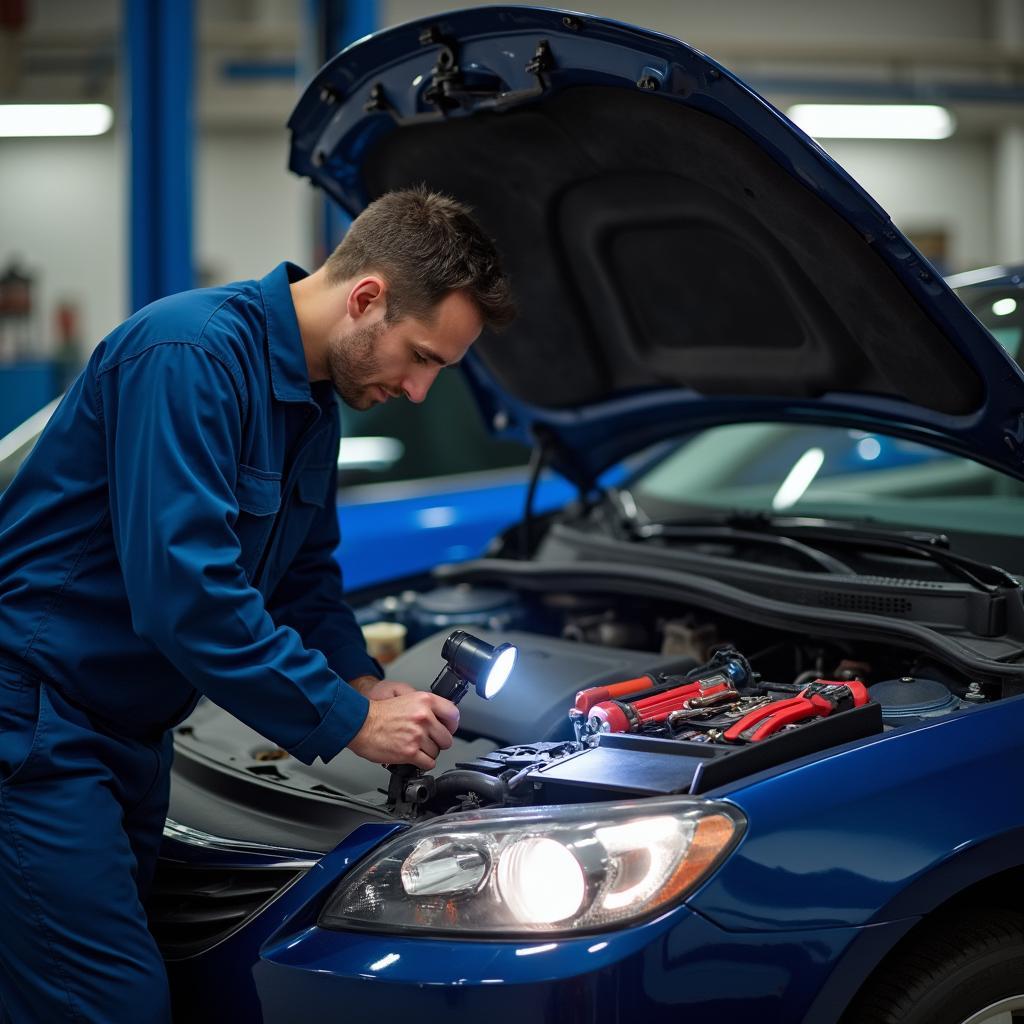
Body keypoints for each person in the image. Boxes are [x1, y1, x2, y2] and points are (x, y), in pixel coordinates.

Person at [0, 187, 515, 1022]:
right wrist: (345, 724)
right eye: (422, 357)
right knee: (108, 1004)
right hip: (37, 730)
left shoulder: (313, 405)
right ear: (366, 298)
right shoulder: (188, 356)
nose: (420, 390)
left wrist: (362, 683)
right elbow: (184, 593)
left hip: (129, 738)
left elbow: (305, 576)